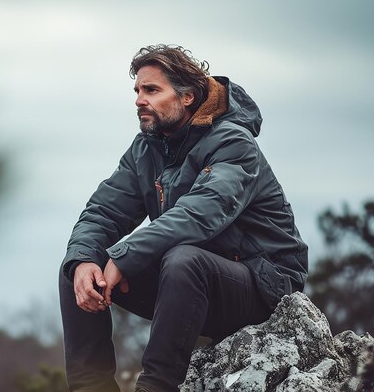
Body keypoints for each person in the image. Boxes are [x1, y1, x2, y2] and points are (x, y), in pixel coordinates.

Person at [59, 44, 308, 392]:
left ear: (187, 96)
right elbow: (103, 212)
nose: (138, 100)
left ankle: (156, 386)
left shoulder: (234, 143)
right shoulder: (147, 149)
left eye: (151, 90)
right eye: (137, 91)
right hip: (186, 285)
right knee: (81, 267)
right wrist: (86, 260)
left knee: (183, 260)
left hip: (263, 283)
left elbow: (201, 212)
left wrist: (127, 256)